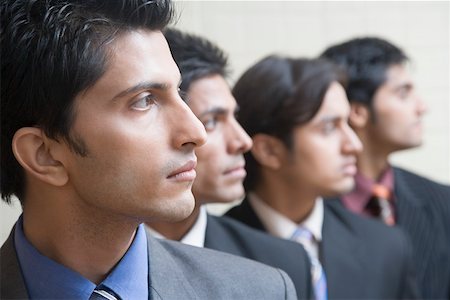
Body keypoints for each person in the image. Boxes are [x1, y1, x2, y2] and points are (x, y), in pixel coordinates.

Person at [0, 1, 298, 299]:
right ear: (44, 154)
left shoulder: (260, 290)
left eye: (178, 92)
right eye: (144, 100)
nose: (195, 132)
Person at [226, 56, 419, 299]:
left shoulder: (385, 246)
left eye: (347, 123)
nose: (353, 145)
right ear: (269, 150)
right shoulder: (213, 252)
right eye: (329, 128)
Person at [146, 28, 313, 299]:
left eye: (234, 118)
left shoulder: (280, 262)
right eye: (212, 122)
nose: (243, 141)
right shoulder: (94, 261)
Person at [321, 37, 450, 299]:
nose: (422, 107)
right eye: (403, 93)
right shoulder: (309, 209)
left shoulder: (442, 201)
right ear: (357, 112)